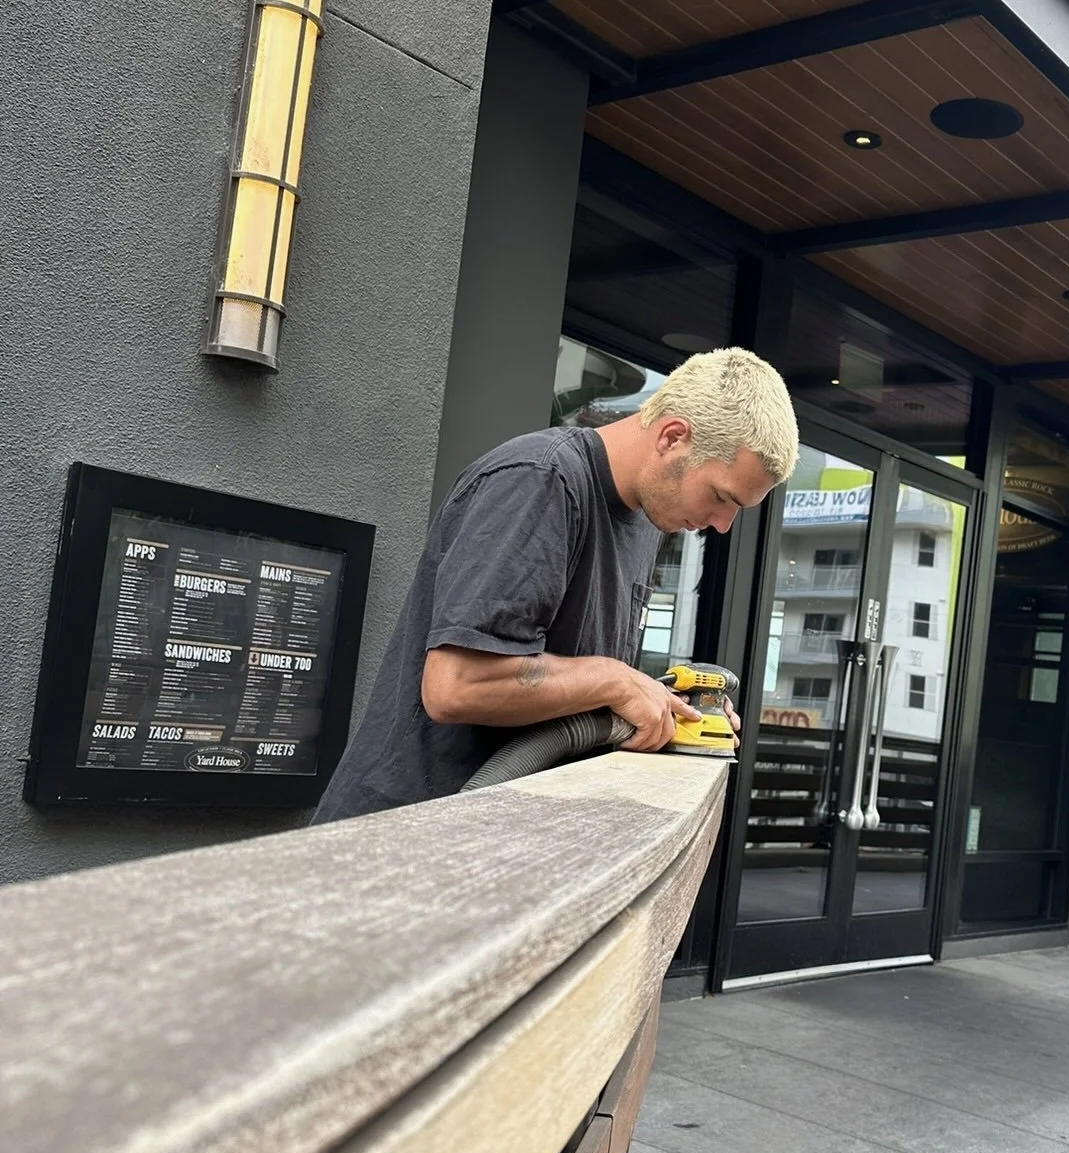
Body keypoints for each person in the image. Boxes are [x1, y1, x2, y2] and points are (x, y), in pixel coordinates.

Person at [311, 347, 799, 822]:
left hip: (499, 840)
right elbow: (456, 687)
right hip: (404, 839)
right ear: (673, 437)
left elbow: (570, 682)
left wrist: (664, 711)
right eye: (720, 496)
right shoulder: (540, 480)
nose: (722, 525)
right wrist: (615, 680)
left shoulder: (647, 522)